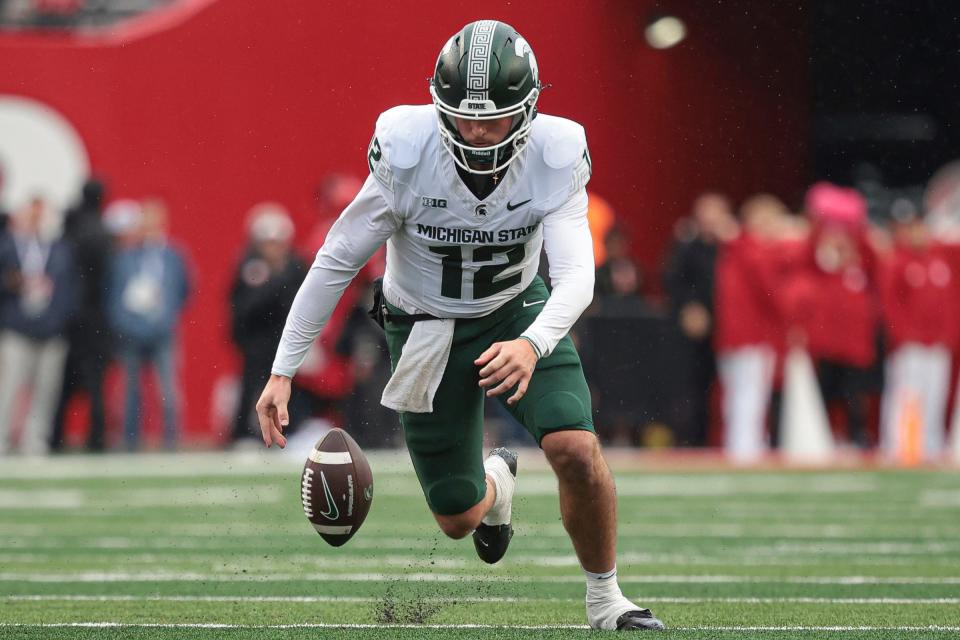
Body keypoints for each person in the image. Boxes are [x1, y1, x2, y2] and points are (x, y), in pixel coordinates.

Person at [255, 20, 665, 631]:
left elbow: (579, 274)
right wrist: (283, 370)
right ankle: (497, 485)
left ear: (527, 109)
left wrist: (533, 342)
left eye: (493, 119)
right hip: (422, 327)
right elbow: (338, 257)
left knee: (574, 447)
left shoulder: (554, 153)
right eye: (464, 117)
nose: (476, 132)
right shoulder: (406, 148)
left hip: (518, 309)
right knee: (457, 517)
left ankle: (606, 599)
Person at [106, 198, 191, 450]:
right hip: (132, 332)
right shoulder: (126, 256)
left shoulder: (174, 255)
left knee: (168, 389)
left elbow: (184, 290)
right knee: (131, 390)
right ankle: (130, 442)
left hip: (162, 331)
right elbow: (114, 294)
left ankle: (171, 442)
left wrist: (166, 316)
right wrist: (124, 323)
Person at [0, 196, 76, 455]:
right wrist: (15, 282)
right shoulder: (8, 246)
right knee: (10, 387)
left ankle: (35, 442)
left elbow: (68, 291)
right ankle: (3, 439)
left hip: (50, 330)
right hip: (17, 328)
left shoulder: (59, 249)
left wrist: (58, 321)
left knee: (46, 391)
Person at [229, 203, 307, 444]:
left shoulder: (295, 265)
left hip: (285, 339)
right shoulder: (249, 266)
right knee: (252, 386)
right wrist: (275, 283)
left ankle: (290, 431)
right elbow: (244, 306)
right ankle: (244, 434)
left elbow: (302, 302)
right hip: (257, 341)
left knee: (292, 388)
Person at [51, 178, 114, 452]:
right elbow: (107, 281)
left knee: (64, 382)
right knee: (95, 383)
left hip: (69, 317)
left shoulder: (70, 228)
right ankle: (96, 439)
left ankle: (56, 437)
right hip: (96, 319)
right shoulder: (102, 233)